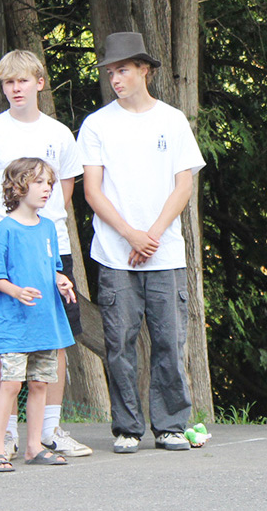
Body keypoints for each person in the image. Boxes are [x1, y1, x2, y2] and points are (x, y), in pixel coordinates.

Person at [80, 32, 205, 453]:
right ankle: (127, 428)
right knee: (120, 344)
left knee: (170, 340)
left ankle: (170, 425)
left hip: (165, 253)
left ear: (145, 70)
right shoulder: (96, 124)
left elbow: (183, 184)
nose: (116, 78)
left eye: (124, 70)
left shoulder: (172, 119)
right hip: (116, 254)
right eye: (111, 72)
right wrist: (131, 234)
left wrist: (150, 236)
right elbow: (93, 191)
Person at [0, 49, 91, 459]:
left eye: (22, 80)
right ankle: (10, 435)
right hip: (5, 254)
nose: (16, 88)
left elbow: (66, 193)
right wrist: (9, 235)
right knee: (3, 342)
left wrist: (40, 234)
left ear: (39, 82)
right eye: (8, 82)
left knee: (55, 339)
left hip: (52, 251)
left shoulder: (59, 133)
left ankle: (49, 431)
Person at [0, 158, 75, 471]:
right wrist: (16, 291)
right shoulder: (5, 229)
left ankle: (34, 447)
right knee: (11, 384)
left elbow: (54, 270)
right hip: (14, 325)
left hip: (45, 323)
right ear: (19, 187)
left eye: (49, 183)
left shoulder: (49, 228)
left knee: (39, 384)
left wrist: (62, 282)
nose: (47, 189)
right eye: (39, 182)